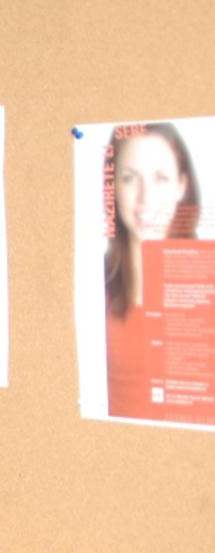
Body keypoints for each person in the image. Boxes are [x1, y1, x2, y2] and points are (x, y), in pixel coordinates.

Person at [102, 122, 201, 417]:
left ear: (181, 186)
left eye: (160, 178)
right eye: (130, 178)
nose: (145, 199)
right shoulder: (92, 284)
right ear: (113, 188)